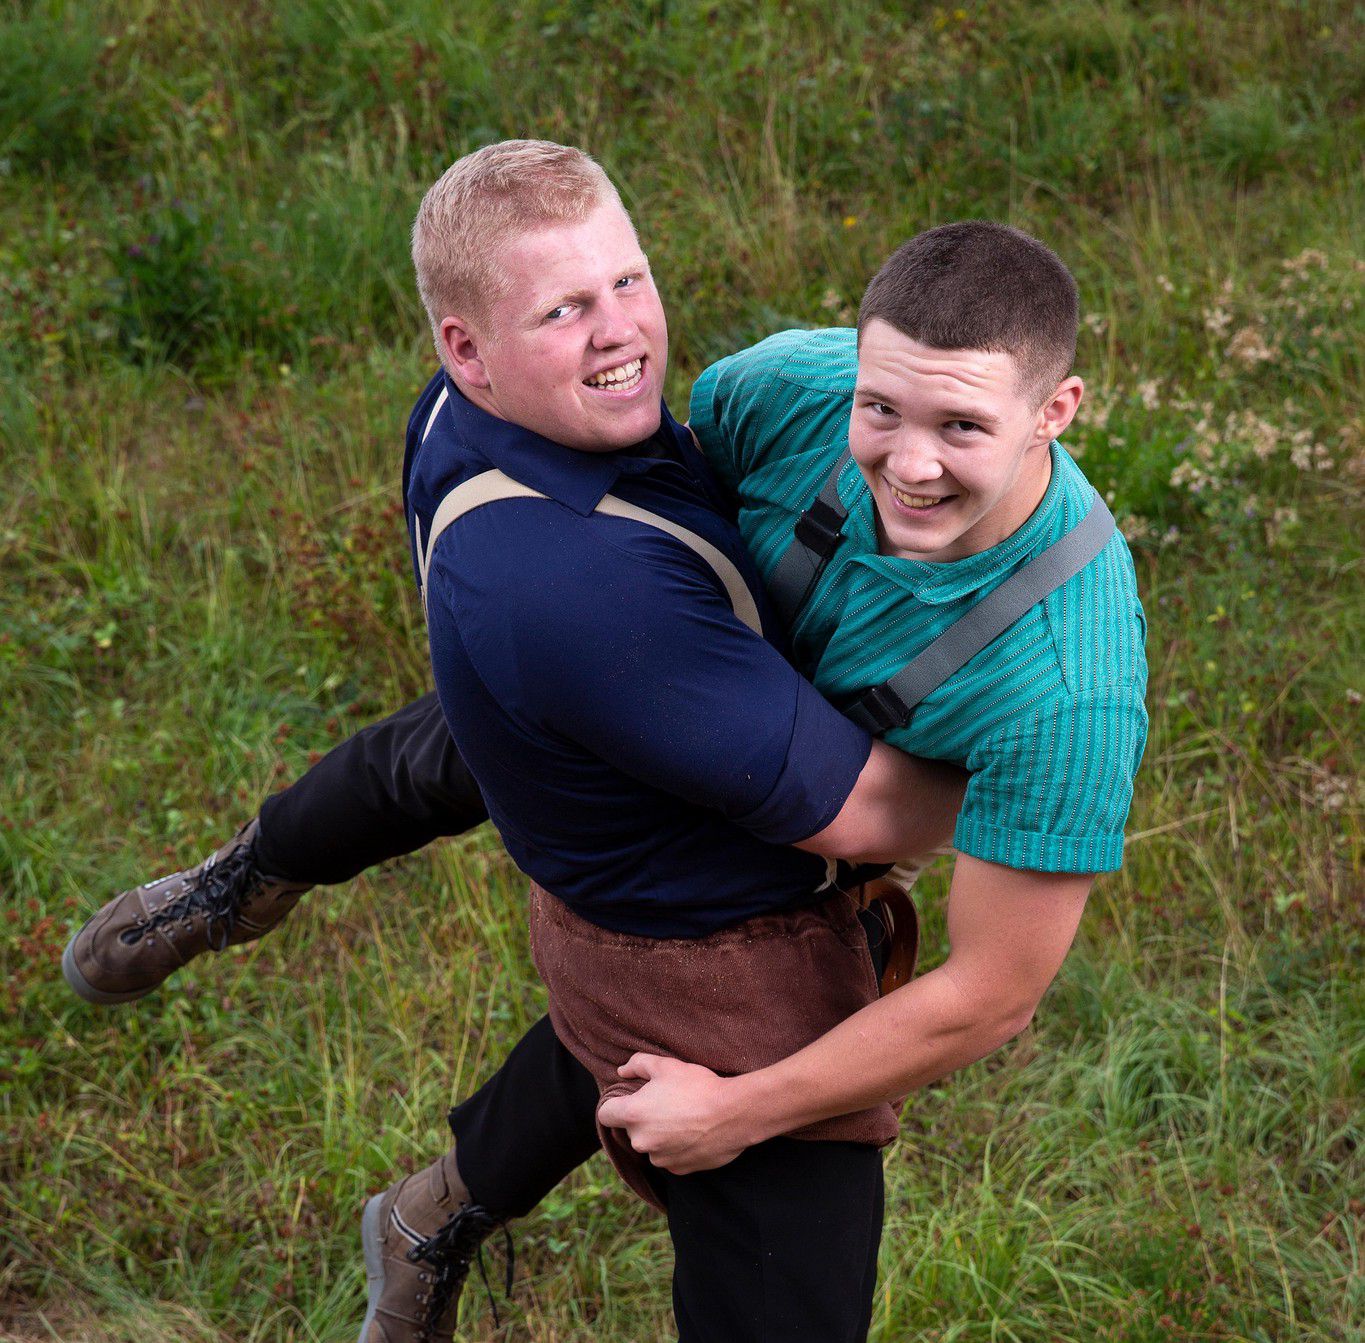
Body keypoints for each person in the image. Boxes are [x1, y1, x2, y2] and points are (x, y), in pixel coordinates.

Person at [62, 144, 1148, 1341]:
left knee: (628, 973)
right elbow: (670, 530)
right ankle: (247, 883)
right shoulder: (784, 389)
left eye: (961, 426)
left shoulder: (1067, 693)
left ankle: (431, 1210)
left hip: (734, 750)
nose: (906, 458)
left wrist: (741, 1106)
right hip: (709, 719)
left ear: (1057, 410)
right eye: (880, 407)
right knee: (492, 765)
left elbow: (990, 995)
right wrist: (615, 655)